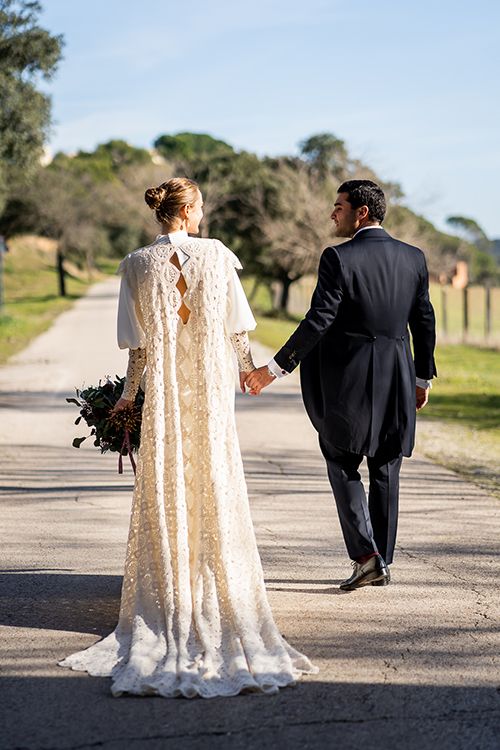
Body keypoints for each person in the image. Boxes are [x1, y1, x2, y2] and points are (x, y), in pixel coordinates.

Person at [58, 177, 316, 697]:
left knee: (169, 482)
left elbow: (137, 349)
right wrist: (247, 372)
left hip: (167, 397)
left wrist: (131, 397)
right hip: (209, 393)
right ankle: (216, 589)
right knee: (213, 476)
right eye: (200, 206)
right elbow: (236, 329)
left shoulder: (135, 264)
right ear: (189, 209)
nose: (203, 214)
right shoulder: (218, 256)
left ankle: (175, 593)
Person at [246, 180, 436, 591]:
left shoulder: (338, 257)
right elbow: (424, 322)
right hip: (399, 376)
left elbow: (319, 320)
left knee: (341, 457)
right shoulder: (414, 258)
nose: (333, 214)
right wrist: (421, 378)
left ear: (361, 212)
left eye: (339, 206)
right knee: (387, 466)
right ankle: (381, 560)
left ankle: (367, 557)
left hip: (349, 380)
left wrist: (274, 369)